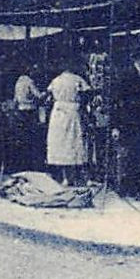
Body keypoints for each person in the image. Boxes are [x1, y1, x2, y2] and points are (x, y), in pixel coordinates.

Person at [108, 54, 140, 197]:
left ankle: (135, 189)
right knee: (127, 156)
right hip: (127, 123)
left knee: (139, 157)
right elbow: (116, 102)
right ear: (139, 60)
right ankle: (124, 188)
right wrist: (115, 125)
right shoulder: (127, 76)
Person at [46, 58, 92, 186]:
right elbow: (86, 93)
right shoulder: (77, 79)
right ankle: (72, 177)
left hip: (58, 113)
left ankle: (63, 176)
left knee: (60, 144)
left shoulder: (56, 80)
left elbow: (49, 95)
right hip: (71, 112)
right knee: (72, 143)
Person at [11, 66, 47, 170]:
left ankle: (24, 163)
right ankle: (33, 164)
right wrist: (44, 94)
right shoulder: (29, 82)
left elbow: (15, 99)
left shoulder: (18, 83)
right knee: (32, 137)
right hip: (29, 110)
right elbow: (38, 95)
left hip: (20, 110)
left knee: (23, 137)